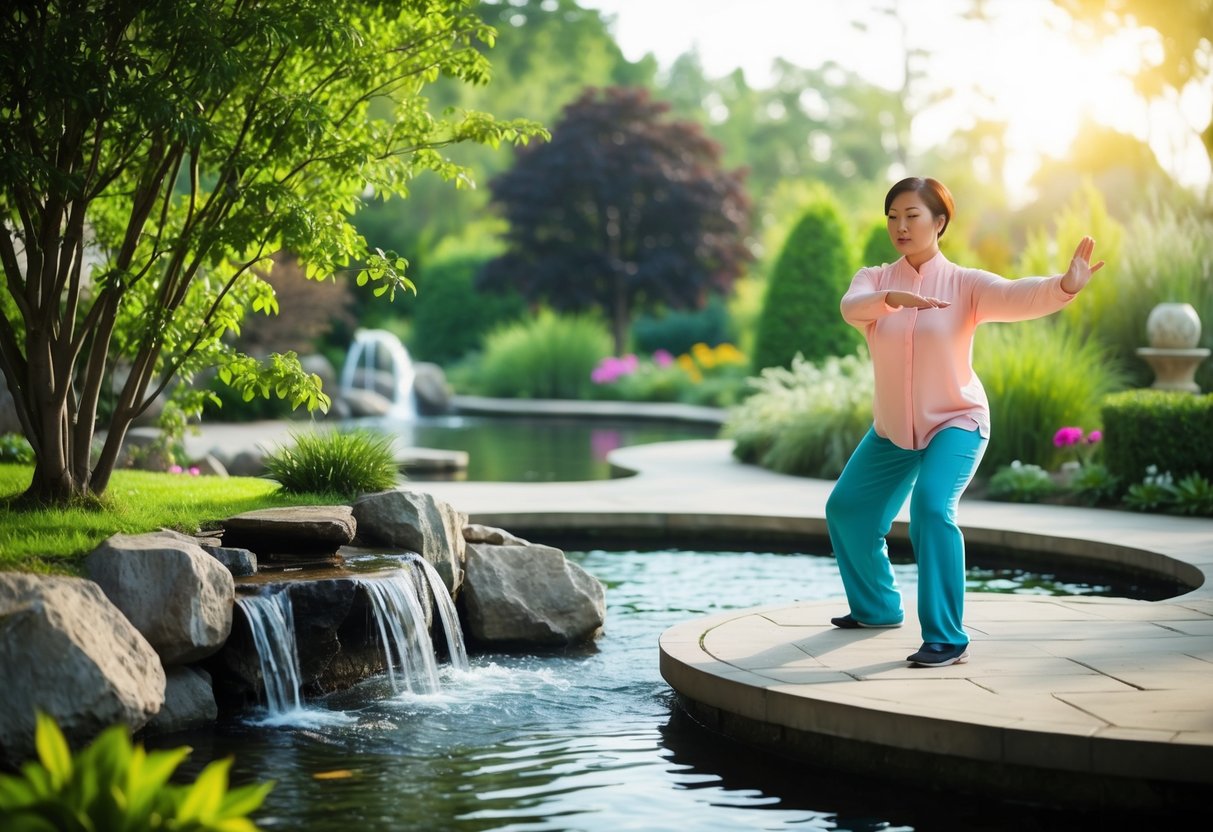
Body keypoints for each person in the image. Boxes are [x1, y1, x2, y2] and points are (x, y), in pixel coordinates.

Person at [825, 176, 1102, 667]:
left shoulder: (965, 284)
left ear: (940, 222)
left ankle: (947, 637)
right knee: (847, 509)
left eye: (912, 216)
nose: (900, 226)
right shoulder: (872, 279)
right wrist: (892, 298)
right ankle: (877, 609)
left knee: (931, 508)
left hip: (956, 421)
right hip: (893, 430)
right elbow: (850, 309)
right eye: (893, 216)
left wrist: (1063, 287)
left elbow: (1017, 294)